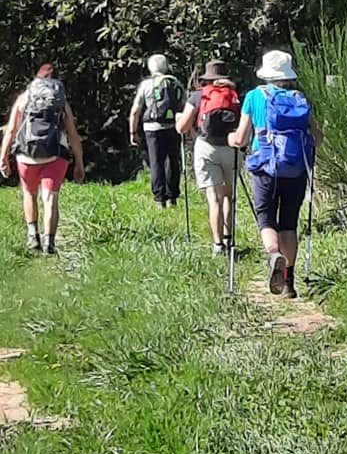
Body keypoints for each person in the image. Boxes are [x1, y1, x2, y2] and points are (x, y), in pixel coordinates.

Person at [228, 50, 323, 298]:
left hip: (265, 168)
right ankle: (289, 282)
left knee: (266, 218)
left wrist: (231, 139)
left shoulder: (254, 97)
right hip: (296, 169)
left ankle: (274, 255)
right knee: (289, 223)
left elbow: (240, 138)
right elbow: (318, 138)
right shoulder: (299, 98)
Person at [0, 63, 84, 254]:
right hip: (55, 155)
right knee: (50, 198)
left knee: (29, 193)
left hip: (26, 156)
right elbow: (73, 136)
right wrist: (79, 164)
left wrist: (3, 157)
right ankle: (50, 243)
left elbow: (11, 130)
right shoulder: (61, 101)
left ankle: (32, 237)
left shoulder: (24, 98)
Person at [175, 60, 239, 255]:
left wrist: (181, 121)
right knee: (229, 196)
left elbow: (182, 128)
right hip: (230, 148)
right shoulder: (234, 96)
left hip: (206, 147)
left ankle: (218, 245)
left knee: (214, 198)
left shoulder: (198, 95)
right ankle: (229, 240)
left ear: (206, 78)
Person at [129, 54, 184, 207]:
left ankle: (160, 199)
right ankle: (173, 197)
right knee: (173, 162)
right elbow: (184, 106)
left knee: (156, 163)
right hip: (173, 127)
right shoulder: (176, 83)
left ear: (150, 68)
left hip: (152, 129)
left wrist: (133, 132)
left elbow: (136, 110)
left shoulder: (146, 85)